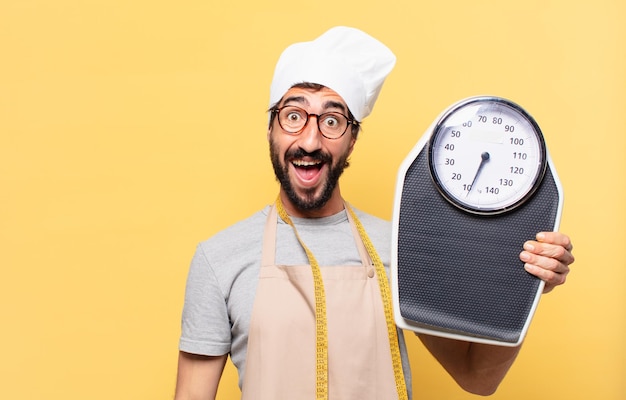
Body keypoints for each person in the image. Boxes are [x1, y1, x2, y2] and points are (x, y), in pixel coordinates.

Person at [174, 26, 575, 400]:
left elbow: (477, 377)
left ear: (351, 140)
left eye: (332, 121)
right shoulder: (219, 259)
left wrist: (526, 285)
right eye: (293, 116)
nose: (310, 140)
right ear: (271, 129)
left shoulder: (401, 247)